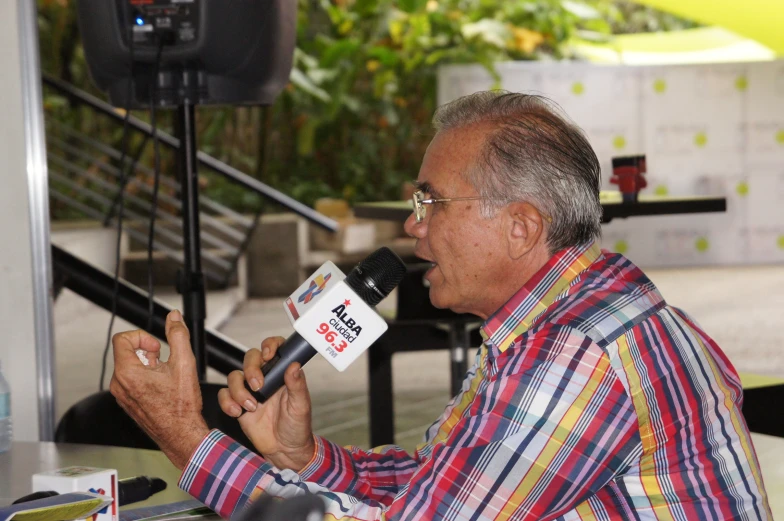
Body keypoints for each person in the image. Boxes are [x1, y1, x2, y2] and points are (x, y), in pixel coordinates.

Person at [111, 91, 771, 520]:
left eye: (430, 201)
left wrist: (185, 435)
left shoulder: (575, 353)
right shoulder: (557, 319)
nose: (413, 224)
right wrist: (306, 457)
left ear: (520, 226)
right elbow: (439, 479)